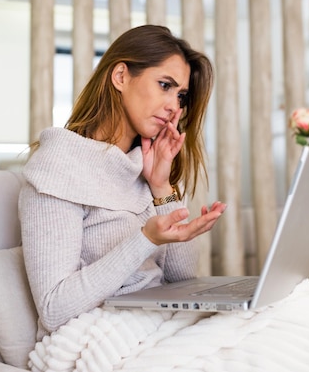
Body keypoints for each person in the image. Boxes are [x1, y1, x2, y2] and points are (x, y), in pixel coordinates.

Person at [19, 25, 227, 339]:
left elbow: (182, 279)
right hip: (99, 337)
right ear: (120, 77)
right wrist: (145, 239)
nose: (174, 106)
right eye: (164, 85)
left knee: (299, 308)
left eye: (180, 95)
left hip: (158, 325)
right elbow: (54, 309)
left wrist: (161, 187)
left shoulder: (144, 167)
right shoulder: (59, 165)